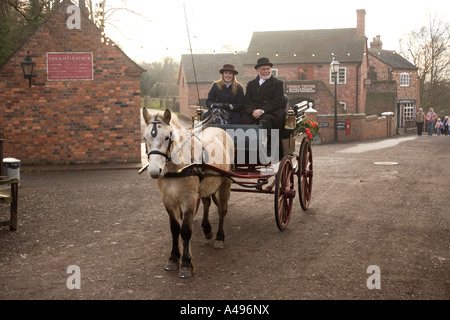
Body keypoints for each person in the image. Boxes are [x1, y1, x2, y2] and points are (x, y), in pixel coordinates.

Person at [239, 57, 285, 133]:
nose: (266, 71)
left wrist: (262, 110)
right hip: (253, 112)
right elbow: (247, 100)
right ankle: (244, 143)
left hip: (271, 112)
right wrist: (253, 111)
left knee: (266, 121)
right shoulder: (251, 84)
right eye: (263, 69)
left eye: (268, 69)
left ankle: (270, 143)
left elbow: (277, 102)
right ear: (257, 70)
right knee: (243, 119)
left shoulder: (277, 84)